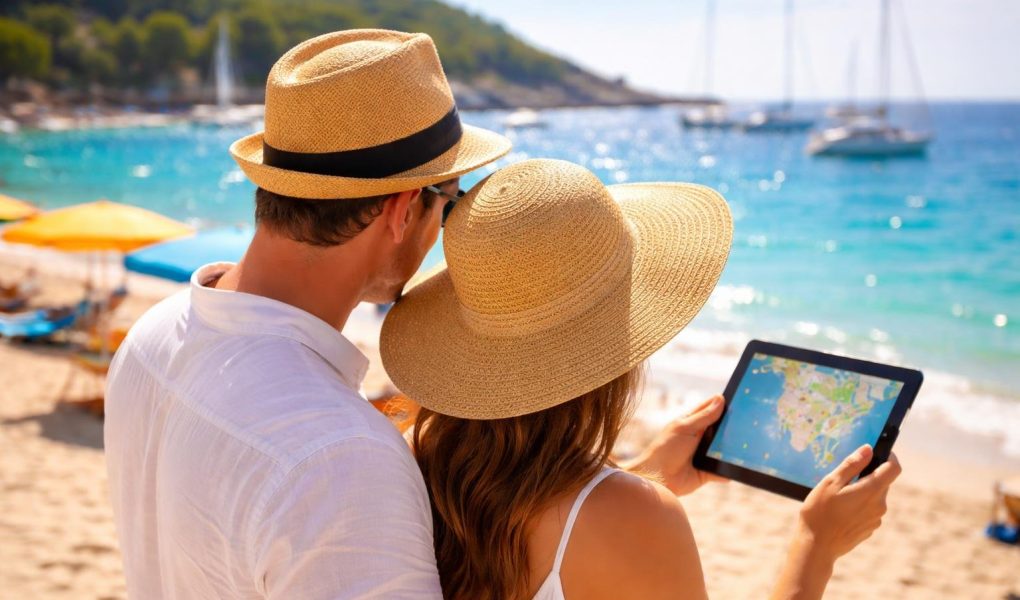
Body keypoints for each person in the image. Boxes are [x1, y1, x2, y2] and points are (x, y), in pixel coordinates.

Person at [103, 29, 513, 599]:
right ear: (399, 211)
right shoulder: (342, 458)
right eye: (450, 199)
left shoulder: (153, 335)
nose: (445, 229)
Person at [380, 158, 903, 600]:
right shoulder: (640, 520)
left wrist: (646, 471)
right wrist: (817, 543)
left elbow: (538, 503)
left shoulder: (406, 456)